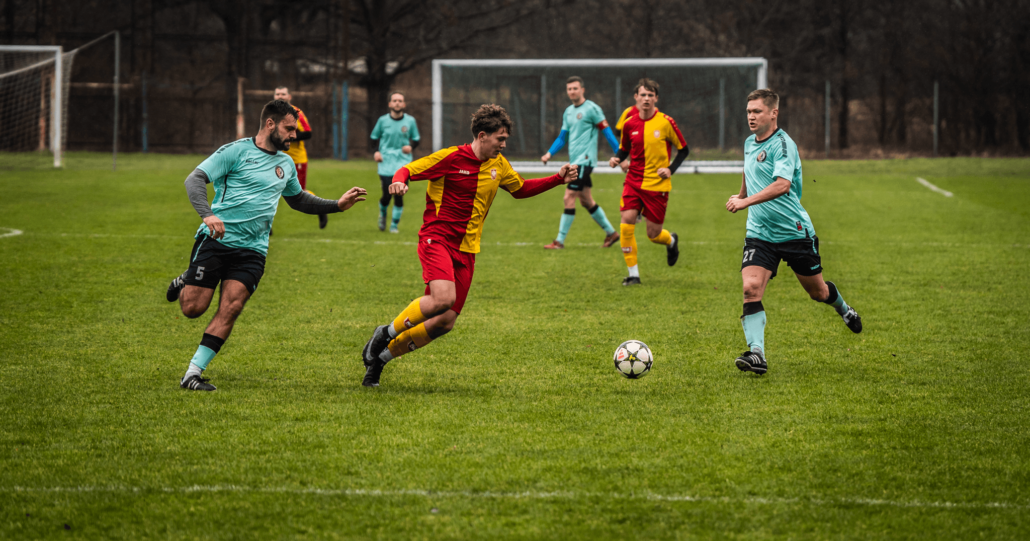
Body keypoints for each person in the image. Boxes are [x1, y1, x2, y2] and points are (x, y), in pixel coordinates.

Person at [359, 104, 578, 387]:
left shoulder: (499, 164)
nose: (504, 144)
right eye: (500, 139)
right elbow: (407, 169)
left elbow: (521, 189)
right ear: (482, 135)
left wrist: (558, 179)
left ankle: (381, 360)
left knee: (444, 322)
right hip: (436, 238)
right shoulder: (450, 157)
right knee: (442, 299)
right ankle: (385, 333)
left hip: (467, 249)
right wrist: (398, 182)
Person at [164, 99, 367, 391]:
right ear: (270, 124)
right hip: (216, 241)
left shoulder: (286, 163)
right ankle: (185, 279)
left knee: (231, 307)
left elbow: (297, 199)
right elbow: (194, 179)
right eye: (289, 128)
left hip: (253, 250)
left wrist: (336, 205)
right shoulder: (235, 151)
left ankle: (192, 374)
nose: (294, 135)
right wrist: (207, 215)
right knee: (192, 308)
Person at [725, 89, 863, 375]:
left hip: (794, 232)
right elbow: (748, 169)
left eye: (757, 111)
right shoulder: (749, 142)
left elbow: (782, 185)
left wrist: (745, 202)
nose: (751, 116)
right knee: (750, 289)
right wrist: (741, 194)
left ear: (773, 113)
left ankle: (844, 309)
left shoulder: (784, 145)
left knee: (818, 292)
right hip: (760, 232)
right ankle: (757, 354)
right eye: (749, 111)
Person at [608, 78, 690, 286]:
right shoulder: (629, 123)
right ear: (636, 97)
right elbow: (624, 148)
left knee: (653, 234)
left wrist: (670, 169)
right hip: (633, 181)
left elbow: (683, 150)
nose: (646, 99)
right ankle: (633, 275)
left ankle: (671, 240)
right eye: (643, 95)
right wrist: (617, 158)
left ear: (656, 99)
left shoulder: (666, 122)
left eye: (650, 95)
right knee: (626, 221)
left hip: (657, 185)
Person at [540, 76, 621, 249]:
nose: (572, 91)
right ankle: (611, 233)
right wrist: (549, 153)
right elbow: (562, 137)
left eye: (575, 88)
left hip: (584, 161)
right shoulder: (568, 112)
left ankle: (559, 241)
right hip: (575, 161)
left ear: (582, 90)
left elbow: (607, 133)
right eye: (569, 89)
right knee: (586, 200)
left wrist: (620, 155)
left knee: (569, 196)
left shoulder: (592, 109)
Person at [273, 86, 327, 229]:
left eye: (283, 94)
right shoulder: (270, 113)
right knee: (269, 189)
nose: (280, 96)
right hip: (275, 159)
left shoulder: (296, 112)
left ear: (289, 97)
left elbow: (307, 133)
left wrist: (286, 137)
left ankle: (321, 209)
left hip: (296, 160)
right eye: (278, 94)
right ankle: (266, 224)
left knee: (299, 193)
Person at [371, 92, 421, 233]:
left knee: (399, 194)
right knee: (387, 195)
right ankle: (383, 213)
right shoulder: (382, 121)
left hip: (403, 163)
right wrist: (376, 152)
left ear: (403, 104)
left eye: (400, 100)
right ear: (390, 104)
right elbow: (374, 138)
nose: (397, 103)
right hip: (386, 162)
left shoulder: (410, 121)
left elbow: (416, 139)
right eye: (394, 100)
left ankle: (394, 225)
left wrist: (411, 147)